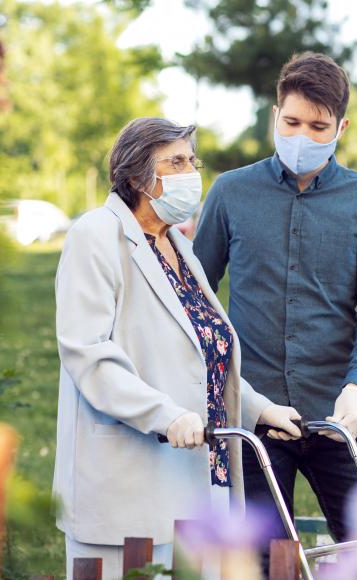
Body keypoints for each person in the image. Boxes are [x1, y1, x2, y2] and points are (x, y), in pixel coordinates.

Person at [53, 117, 301, 580]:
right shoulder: (96, 236)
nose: (191, 172)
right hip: (128, 481)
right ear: (134, 177)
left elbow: (205, 357)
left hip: (198, 477)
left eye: (192, 160)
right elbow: (88, 355)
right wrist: (166, 415)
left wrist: (261, 410)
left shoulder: (177, 246)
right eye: (176, 162)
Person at [193, 52, 357, 572]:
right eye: (291, 122)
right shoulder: (230, 193)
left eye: (318, 126)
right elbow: (194, 300)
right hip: (255, 417)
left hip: (340, 417)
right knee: (264, 564)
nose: (302, 136)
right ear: (275, 116)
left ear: (341, 127)